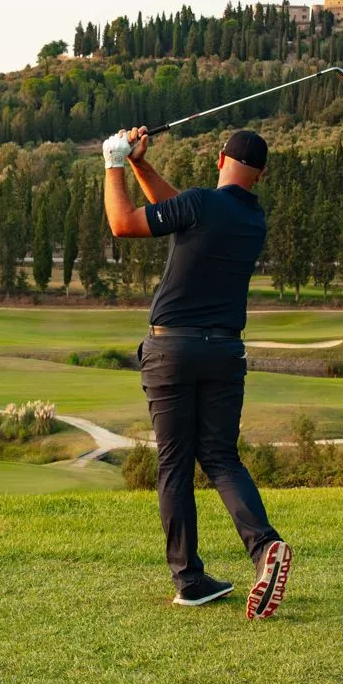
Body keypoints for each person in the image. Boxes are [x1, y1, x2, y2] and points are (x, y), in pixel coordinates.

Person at [102, 125, 291, 619]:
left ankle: (189, 579)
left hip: (173, 350)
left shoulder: (203, 203)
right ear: (262, 175)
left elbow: (123, 223)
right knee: (221, 457)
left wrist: (114, 162)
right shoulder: (252, 218)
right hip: (225, 352)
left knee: (175, 464)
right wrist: (143, 164)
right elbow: (181, 210)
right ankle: (264, 546)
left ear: (218, 159)